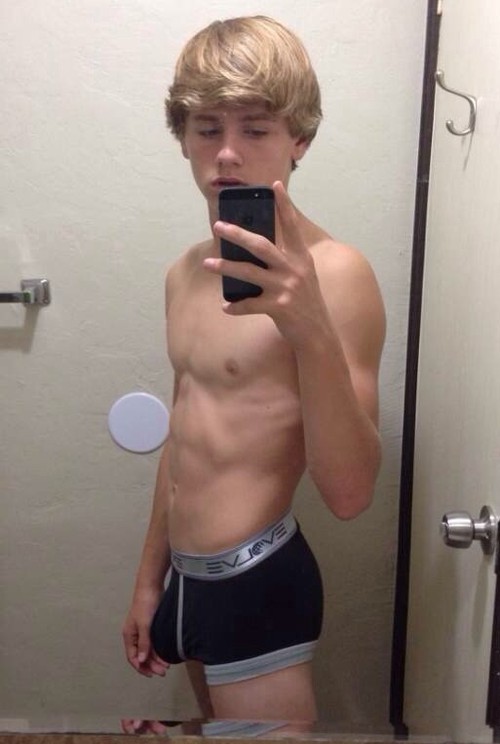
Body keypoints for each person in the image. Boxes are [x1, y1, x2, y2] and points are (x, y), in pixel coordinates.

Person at [122, 14, 385, 723]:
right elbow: (184, 434)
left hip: (258, 577)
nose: (228, 153)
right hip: (187, 579)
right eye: (207, 128)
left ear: (300, 139)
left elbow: (351, 493)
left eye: (257, 129)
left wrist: (309, 326)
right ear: (183, 138)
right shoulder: (183, 274)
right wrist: (149, 582)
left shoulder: (339, 275)